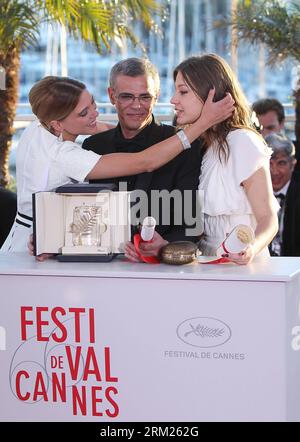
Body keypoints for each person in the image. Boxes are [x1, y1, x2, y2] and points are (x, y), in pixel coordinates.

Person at [1, 75, 234, 253]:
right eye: (84, 113)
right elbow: (146, 161)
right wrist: (203, 123)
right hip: (35, 243)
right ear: (58, 124)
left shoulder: (38, 128)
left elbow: (96, 125)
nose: (95, 113)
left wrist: (124, 130)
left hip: (32, 233)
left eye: (92, 103)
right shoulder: (65, 155)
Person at [127, 54, 279, 265]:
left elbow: (268, 219)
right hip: (207, 266)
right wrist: (165, 244)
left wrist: (250, 249)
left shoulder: (243, 141)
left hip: (243, 269)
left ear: (211, 94)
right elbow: (202, 231)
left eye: (183, 91)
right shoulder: (205, 145)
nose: (173, 99)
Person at [82, 57, 204, 259]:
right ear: (112, 96)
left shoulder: (185, 147)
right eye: (127, 97)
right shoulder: (93, 146)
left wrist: (164, 246)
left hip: (163, 268)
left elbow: (192, 224)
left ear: (157, 96)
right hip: (104, 264)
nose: (136, 105)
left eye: (145, 97)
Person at [265, 133, 300, 256]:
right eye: (269, 163)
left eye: (281, 163)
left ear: (293, 164)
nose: (274, 171)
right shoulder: (251, 192)